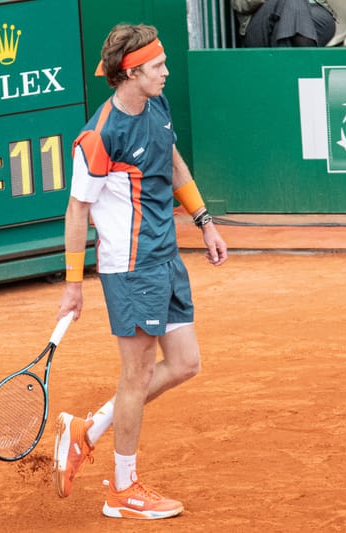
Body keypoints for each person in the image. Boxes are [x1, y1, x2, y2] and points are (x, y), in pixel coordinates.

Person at [53, 24, 228, 520]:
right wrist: (73, 284)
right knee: (137, 375)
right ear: (131, 72)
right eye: (158, 66)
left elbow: (171, 161)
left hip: (167, 258)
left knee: (186, 363)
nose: (167, 72)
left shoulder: (156, 106)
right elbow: (76, 212)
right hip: (129, 269)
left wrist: (204, 221)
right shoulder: (99, 135)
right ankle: (122, 490)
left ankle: (87, 430)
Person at [232, 0, 336, 47]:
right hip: (263, 22)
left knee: (295, 10)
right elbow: (240, 4)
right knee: (292, 4)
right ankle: (308, 70)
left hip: (314, 16)